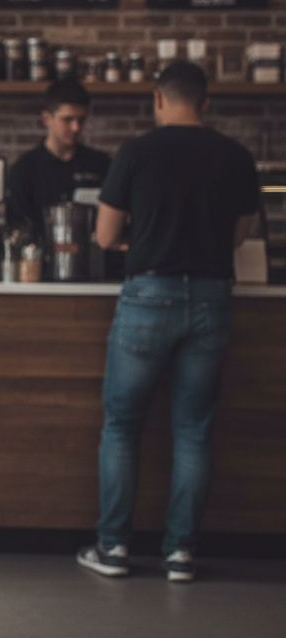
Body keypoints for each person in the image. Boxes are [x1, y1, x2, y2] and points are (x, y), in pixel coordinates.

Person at [76, 61, 260, 583]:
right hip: (210, 297)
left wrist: (146, 239)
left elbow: (106, 237)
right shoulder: (236, 156)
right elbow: (238, 237)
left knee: (122, 427)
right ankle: (180, 554)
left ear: (158, 99)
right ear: (205, 102)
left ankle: (112, 549)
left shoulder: (136, 152)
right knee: (194, 430)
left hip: (147, 297)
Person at [6, 79, 111, 245]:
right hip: (41, 263)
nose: (76, 127)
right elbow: (17, 225)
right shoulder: (25, 168)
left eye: (81, 120)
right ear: (47, 118)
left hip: (94, 260)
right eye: (68, 120)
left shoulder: (101, 164)